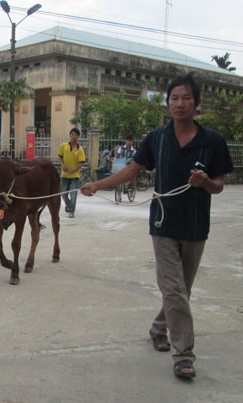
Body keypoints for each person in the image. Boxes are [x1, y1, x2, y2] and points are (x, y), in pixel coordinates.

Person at [81, 73, 233, 379]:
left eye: (186, 98)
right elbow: (132, 170)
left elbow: (218, 185)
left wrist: (205, 182)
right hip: (163, 223)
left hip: (195, 225)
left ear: (196, 102)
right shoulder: (157, 139)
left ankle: (158, 328)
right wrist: (98, 185)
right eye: (175, 98)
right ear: (168, 103)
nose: (180, 104)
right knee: (174, 288)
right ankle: (184, 355)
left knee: (182, 290)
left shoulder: (212, 141)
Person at [58, 128, 86, 218]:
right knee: (63, 193)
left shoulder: (80, 149)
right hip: (64, 174)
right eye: (72, 134)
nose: (74, 136)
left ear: (78, 136)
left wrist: (73, 170)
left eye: (76, 135)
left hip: (75, 175)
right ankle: (69, 205)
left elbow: (81, 162)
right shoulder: (63, 146)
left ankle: (71, 211)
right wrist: (62, 165)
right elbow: (60, 157)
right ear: (70, 135)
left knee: (73, 194)